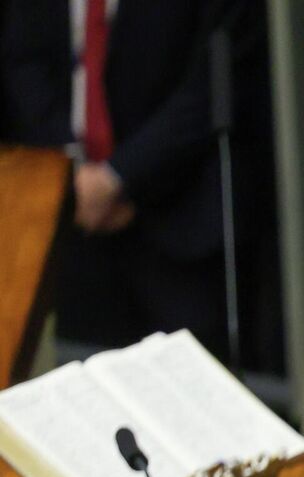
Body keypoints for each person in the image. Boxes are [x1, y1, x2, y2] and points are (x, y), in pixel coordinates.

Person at [0, 0, 280, 374]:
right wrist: (76, 176)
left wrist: (121, 177)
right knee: (87, 393)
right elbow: (24, 61)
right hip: (75, 222)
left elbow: (216, 78)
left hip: (183, 218)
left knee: (192, 393)